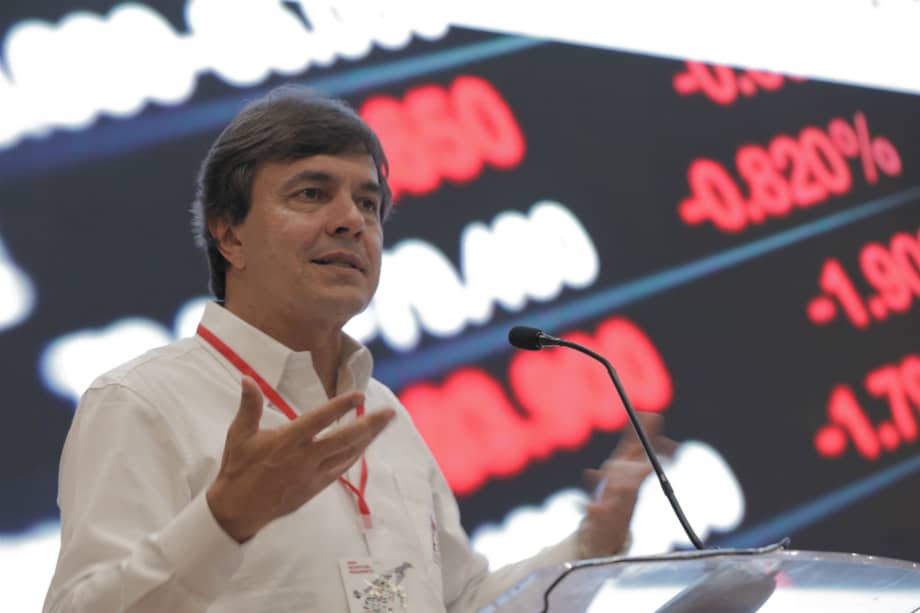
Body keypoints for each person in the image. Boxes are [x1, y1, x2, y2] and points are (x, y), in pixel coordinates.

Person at [43, 85, 660, 613]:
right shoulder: (140, 402)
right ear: (229, 234)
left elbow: (464, 602)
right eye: (311, 194)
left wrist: (593, 543)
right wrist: (224, 521)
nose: (351, 221)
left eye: (368, 202)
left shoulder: (382, 411)